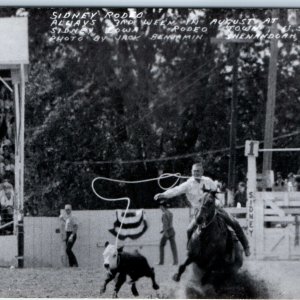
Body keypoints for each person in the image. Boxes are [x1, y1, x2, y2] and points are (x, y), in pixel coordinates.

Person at [154, 162, 250, 256]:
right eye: (194, 171)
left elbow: (216, 191)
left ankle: (246, 246)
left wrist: (218, 197)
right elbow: (176, 190)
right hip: (199, 211)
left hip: (213, 208)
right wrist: (163, 195)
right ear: (191, 172)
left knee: (233, 222)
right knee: (189, 230)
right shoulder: (188, 184)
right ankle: (190, 249)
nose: (196, 173)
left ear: (202, 172)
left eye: (198, 171)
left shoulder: (208, 181)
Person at [157, 200, 178, 266]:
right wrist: (163, 230)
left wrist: (165, 232)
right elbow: (169, 224)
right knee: (173, 247)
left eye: (160, 206)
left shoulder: (164, 214)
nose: (160, 208)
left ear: (162, 207)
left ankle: (161, 261)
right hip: (172, 230)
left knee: (161, 245)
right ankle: (175, 262)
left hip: (167, 231)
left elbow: (165, 225)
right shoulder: (170, 213)